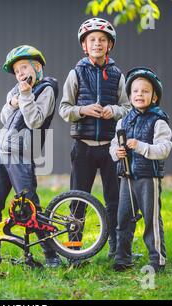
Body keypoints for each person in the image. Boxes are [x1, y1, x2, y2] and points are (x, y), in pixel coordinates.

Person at [0, 44, 61, 267]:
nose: (20, 74)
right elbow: (4, 117)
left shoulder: (47, 89)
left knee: (29, 207)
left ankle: (51, 255)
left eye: (24, 67)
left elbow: (35, 120)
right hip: (0, 152)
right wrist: (11, 101)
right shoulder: (16, 90)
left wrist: (24, 96)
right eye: (16, 71)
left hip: (22, 155)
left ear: (37, 66)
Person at [58, 18, 131, 263]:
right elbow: (64, 109)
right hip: (83, 148)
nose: (97, 44)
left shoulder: (117, 74)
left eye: (102, 40)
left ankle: (116, 248)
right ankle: (74, 251)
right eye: (92, 40)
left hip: (111, 149)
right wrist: (84, 110)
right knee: (78, 199)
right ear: (84, 46)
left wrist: (114, 111)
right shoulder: (76, 73)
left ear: (109, 45)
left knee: (114, 200)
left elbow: (128, 107)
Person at [110, 67, 172, 273]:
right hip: (126, 176)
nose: (139, 94)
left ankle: (157, 260)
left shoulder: (158, 120)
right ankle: (122, 258)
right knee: (123, 219)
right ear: (129, 95)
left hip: (148, 177)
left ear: (154, 97)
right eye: (135, 91)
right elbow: (113, 144)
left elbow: (164, 149)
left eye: (145, 91)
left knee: (151, 220)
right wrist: (116, 152)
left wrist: (141, 146)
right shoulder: (123, 120)